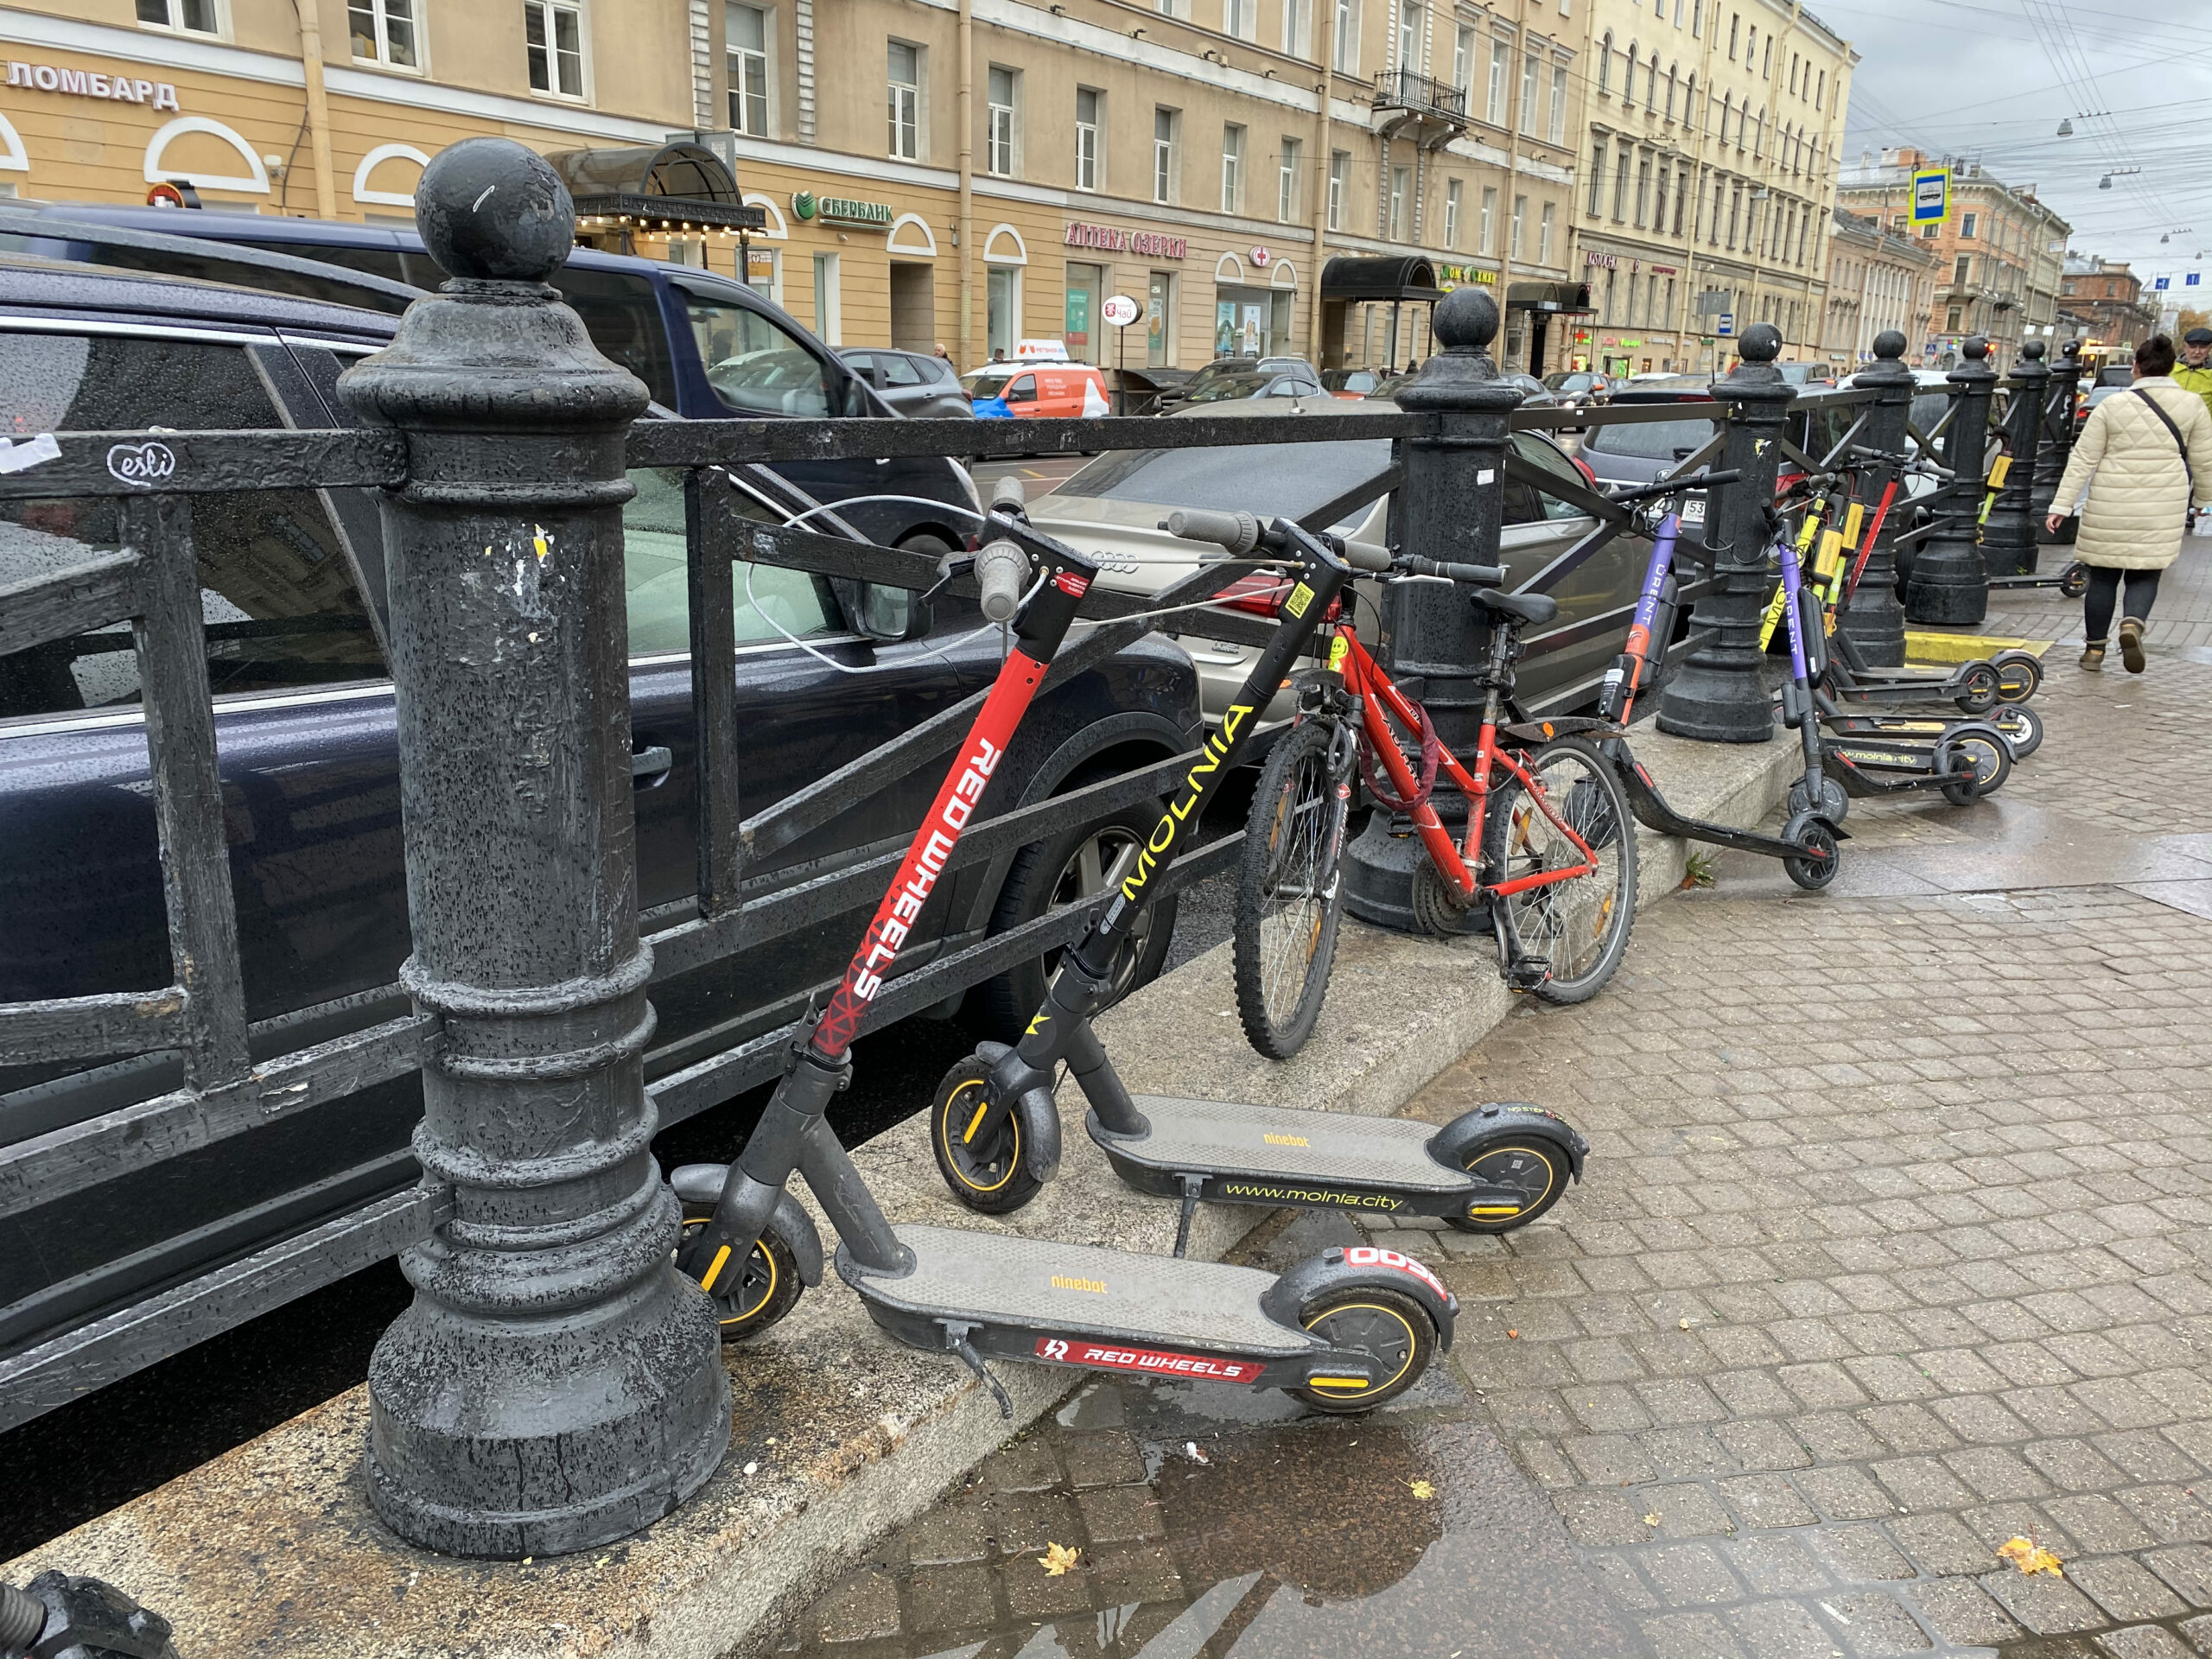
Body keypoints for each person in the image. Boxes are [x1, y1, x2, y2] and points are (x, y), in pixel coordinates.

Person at [2045, 334, 2212, 672]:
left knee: (2104, 577)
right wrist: (2203, 500)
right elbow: (2204, 460)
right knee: (2146, 575)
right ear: (2171, 368)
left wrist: (2061, 505)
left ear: (2136, 368)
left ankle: (2094, 652)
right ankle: (2132, 624)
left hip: (2111, 499)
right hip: (2163, 502)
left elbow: (2083, 459)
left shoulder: (2113, 405)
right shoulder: (2193, 405)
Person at [2176, 327, 2212, 423]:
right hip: (2169, 432)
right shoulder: (2169, 370)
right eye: (2192, 347)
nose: (2197, 352)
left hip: (2201, 434)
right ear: (2185, 347)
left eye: (2203, 347)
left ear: (2210, 348)